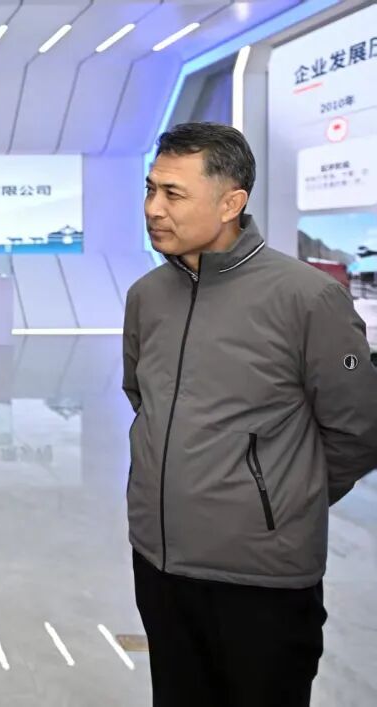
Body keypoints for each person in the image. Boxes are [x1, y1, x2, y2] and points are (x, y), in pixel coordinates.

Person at [125, 121, 377, 707]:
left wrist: (279, 501)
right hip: (160, 564)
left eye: (173, 193)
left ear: (230, 202)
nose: (154, 208)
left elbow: (359, 430)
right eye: (151, 189)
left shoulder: (307, 298)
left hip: (263, 577)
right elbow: (143, 397)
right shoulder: (147, 296)